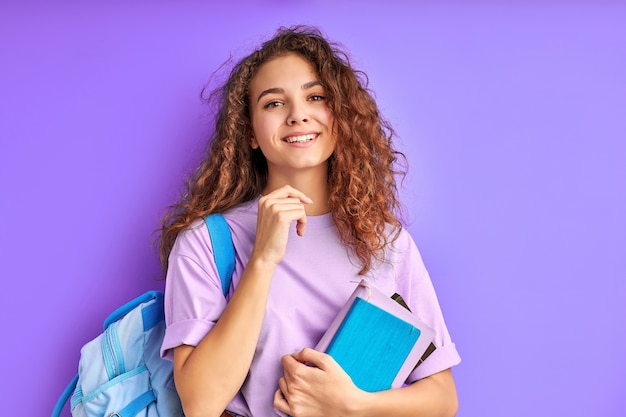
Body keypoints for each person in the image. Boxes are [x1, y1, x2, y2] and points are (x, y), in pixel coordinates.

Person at [158, 25, 461, 417]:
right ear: (250, 132)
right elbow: (200, 404)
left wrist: (350, 404)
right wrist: (262, 259)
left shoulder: (387, 242)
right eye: (273, 103)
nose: (298, 115)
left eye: (315, 97)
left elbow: (442, 399)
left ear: (339, 117)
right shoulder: (207, 241)